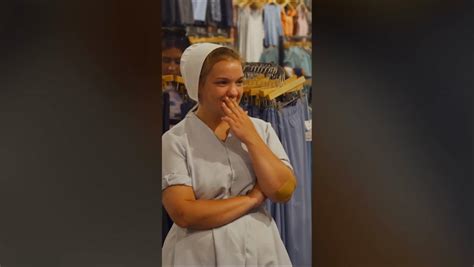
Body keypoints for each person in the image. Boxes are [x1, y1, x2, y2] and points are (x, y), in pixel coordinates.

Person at [162, 43, 297, 266]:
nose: (234, 92)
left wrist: (250, 137)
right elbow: (185, 213)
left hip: (261, 253)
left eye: (239, 82)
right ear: (198, 86)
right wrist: (252, 198)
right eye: (222, 83)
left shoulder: (261, 129)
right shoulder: (176, 140)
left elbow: (283, 190)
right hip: (198, 257)